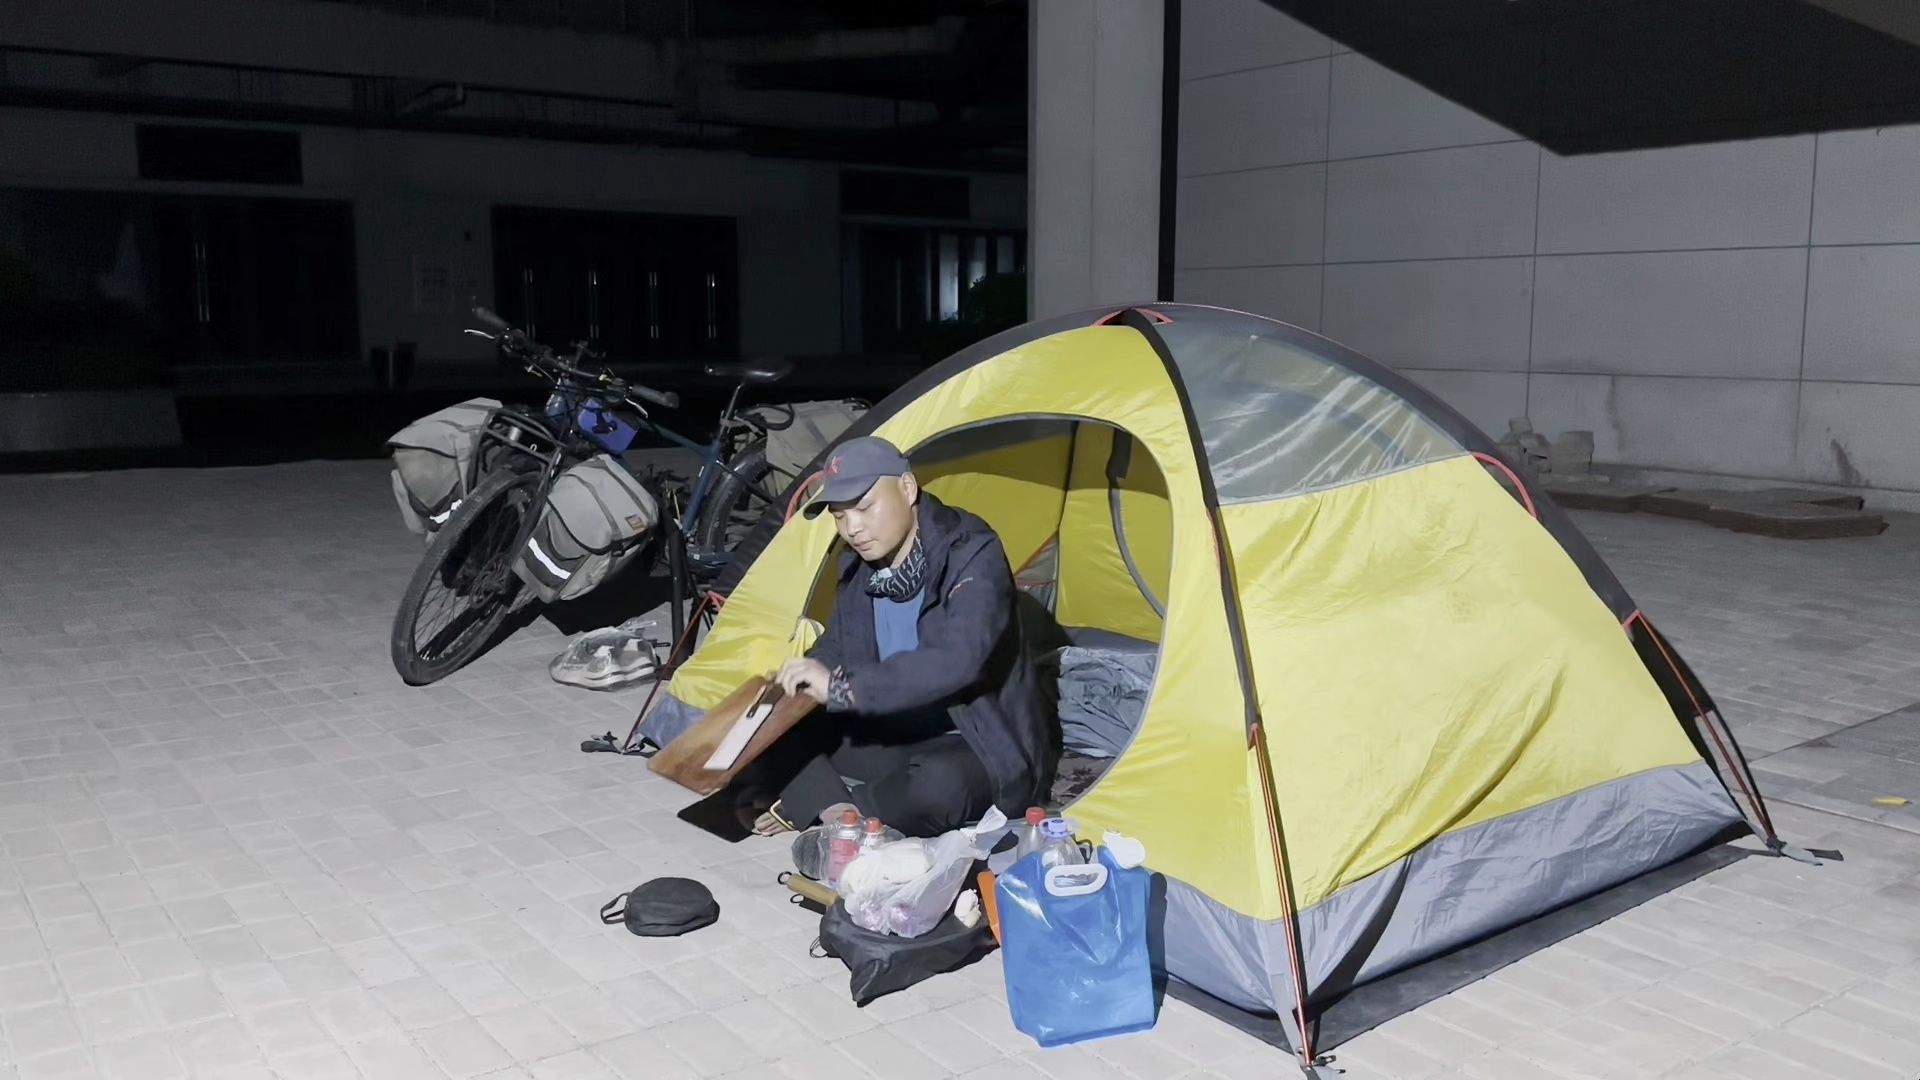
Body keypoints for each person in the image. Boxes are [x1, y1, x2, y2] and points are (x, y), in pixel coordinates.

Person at [747, 436, 1055, 838]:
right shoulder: (860, 564)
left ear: (907, 488)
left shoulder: (972, 552)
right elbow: (840, 645)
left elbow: (957, 659)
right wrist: (805, 678)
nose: (852, 528)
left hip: (970, 741)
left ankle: (828, 808)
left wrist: (843, 690)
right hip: (893, 730)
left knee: (937, 788)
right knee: (766, 728)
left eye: (863, 507)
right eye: (840, 516)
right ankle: (842, 811)